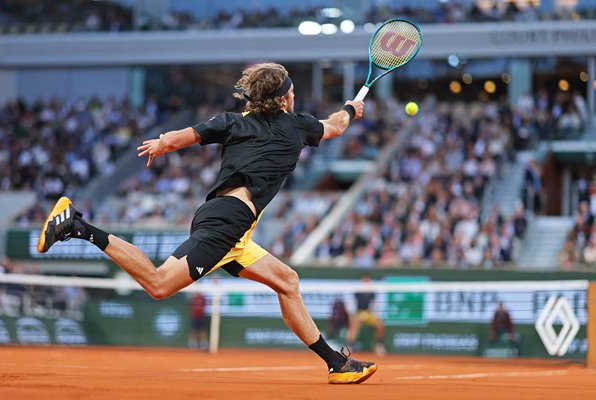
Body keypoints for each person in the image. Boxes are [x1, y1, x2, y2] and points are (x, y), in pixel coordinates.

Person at [37, 62, 376, 384]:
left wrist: (160, 143)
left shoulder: (232, 121)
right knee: (158, 285)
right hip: (226, 223)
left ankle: (337, 363)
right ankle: (77, 226)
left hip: (231, 226)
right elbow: (336, 125)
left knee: (287, 281)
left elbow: (176, 138)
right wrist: (350, 109)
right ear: (286, 97)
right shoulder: (298, 125)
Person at [346, 275, 386, 356]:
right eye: (365, 280)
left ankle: (378, 345)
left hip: (369, 313)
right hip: (359, 312)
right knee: (354, 325)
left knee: (380, 325)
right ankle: (350, 346)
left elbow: (375, 304)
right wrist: (352, 315)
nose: (366, 282)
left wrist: (375, 314)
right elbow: (351, 302)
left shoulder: (372, 292)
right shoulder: (358, 291)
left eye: (368, 280)